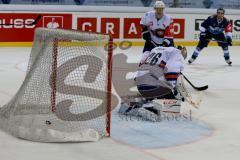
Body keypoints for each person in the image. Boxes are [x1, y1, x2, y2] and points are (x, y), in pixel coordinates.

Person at [119, 46, 187, 121]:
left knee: (155, 91)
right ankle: (150, 108)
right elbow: (172, 68)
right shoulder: (177, 53)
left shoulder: (156, 49)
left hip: (141, 84)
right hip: (153, 85)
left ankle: (131, 103)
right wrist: (173, 88)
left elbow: (142, 61)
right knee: (174, 103)